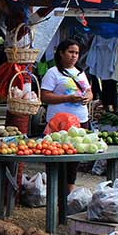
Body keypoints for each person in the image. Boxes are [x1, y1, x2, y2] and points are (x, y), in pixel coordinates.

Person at [40, 39, 93, 190]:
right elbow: (44, 97)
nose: (74, 56)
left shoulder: (80, 72)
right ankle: (54, 190)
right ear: (61, 53)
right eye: (70, 52)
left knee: (74, 158)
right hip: (59, 123)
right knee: (56, 156)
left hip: (80, 121)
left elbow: (89, 91)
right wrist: (68, 98)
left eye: (76, 53)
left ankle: (68, 191)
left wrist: (88, 97)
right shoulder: (53, 73)